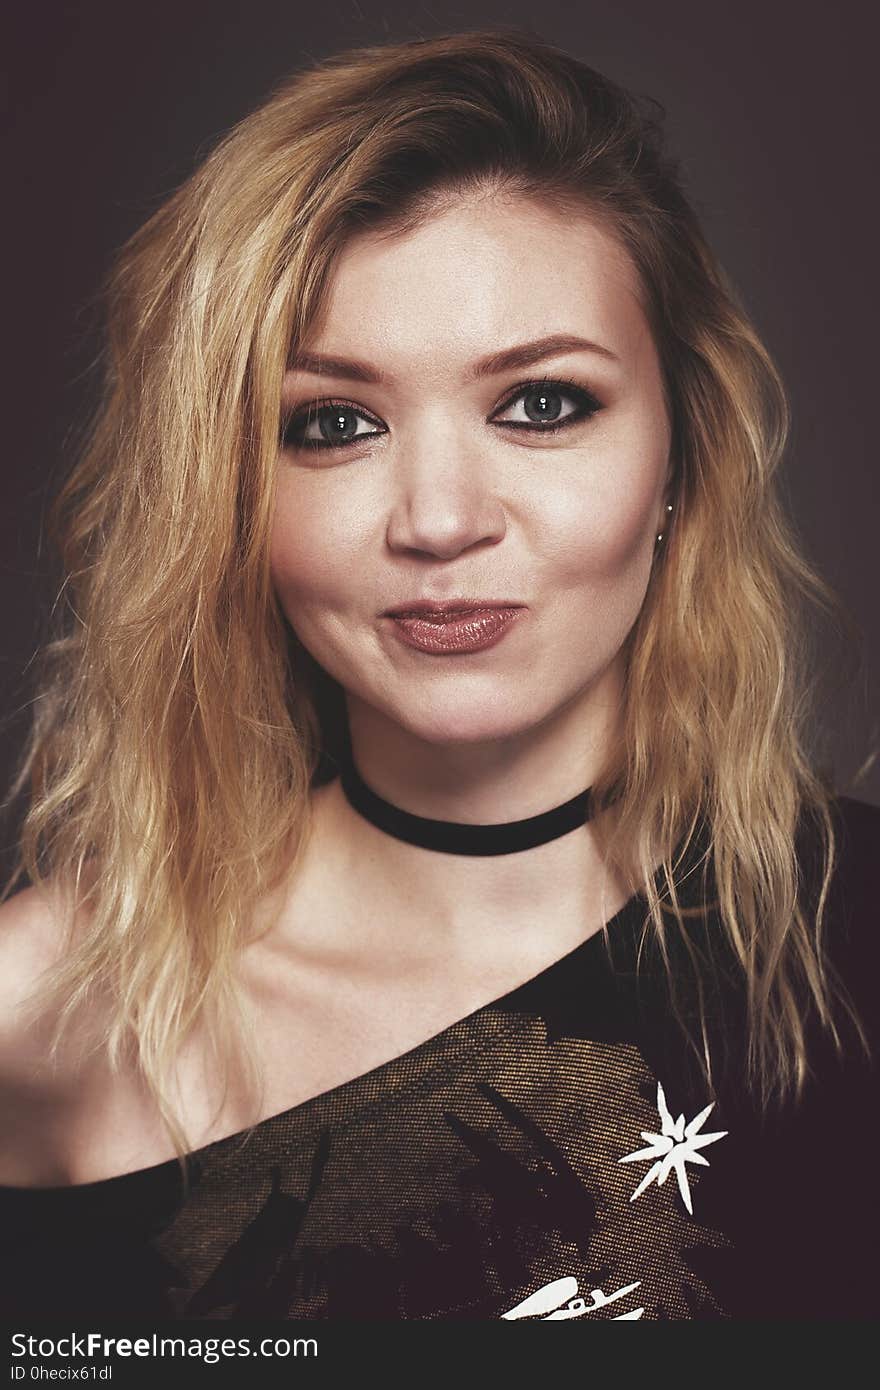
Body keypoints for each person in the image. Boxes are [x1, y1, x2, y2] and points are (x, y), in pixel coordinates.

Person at [0, 28, 876, 1322]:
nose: (439, 518)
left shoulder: (853, 936)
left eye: (541, 404)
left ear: (680, 457)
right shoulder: (49, 1007)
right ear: (231, 495)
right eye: (333, 423)